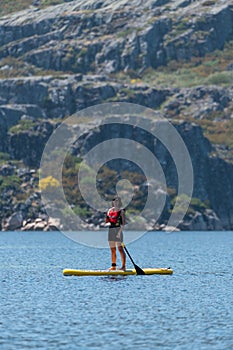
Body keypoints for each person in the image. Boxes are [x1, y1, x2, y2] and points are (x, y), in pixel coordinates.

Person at [105, 196, 126, 271]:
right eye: (114, 201)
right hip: (111, 230)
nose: (115, 202)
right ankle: (113, 266)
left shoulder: (121, 211)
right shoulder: (109, 211)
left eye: (117, 201)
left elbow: (123, 224)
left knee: (120, 248)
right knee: (112, 249)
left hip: (118, 230)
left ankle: (123, 266)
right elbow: (107, 221)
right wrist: (106, 218)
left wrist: (119, 233)